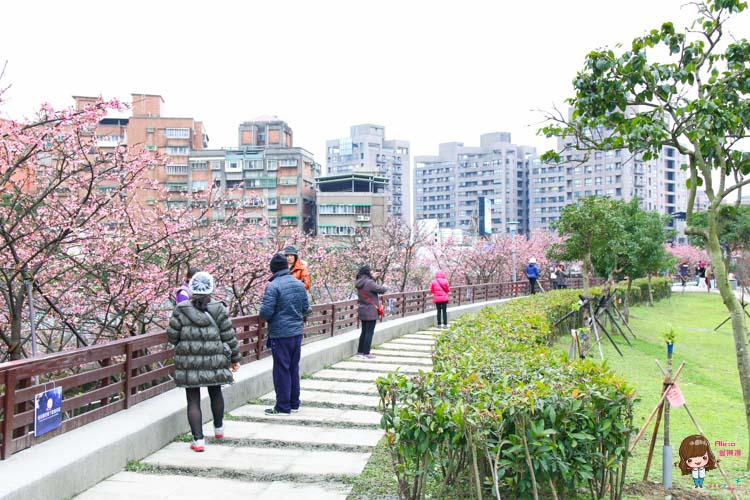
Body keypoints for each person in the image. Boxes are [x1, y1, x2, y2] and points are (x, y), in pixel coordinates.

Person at [167, 271, 241, 452]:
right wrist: (235, 359)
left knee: (193, 400)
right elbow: (229, 337)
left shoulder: (181, 309)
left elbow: (172, 336)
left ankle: (198, 440)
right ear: (211, 288)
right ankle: (218, 428)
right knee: (215, 391)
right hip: (214, 358)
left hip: (189, 361)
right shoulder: (219, 308)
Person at [259, 253, 309, 415]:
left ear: (273, 269)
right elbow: (306, 309)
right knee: (293, 368)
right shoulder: (299, 284)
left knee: (281, 369)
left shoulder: (273, 286)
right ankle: (294, 403)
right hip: (296, 333)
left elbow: (266, 312)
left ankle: (282, 406)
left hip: (281, 334)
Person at [355, 265, 387, 358]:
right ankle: (366, 353)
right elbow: (380, 290)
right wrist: (384, 286)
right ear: (367, 272)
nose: (371, 272)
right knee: (369, 332)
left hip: (362, 309)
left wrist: (373, 278)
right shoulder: (369, 282)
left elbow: (367, 287)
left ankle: (360, 352)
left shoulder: (359, 282)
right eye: (370, 271)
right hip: (371, 311)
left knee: (364, 332)